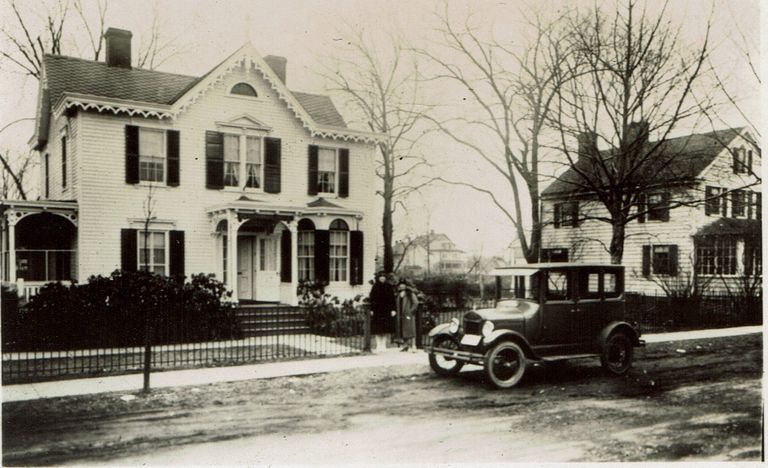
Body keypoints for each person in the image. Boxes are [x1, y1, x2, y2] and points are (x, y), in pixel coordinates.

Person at [368, 272, 395, 352]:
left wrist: (393, 309)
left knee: (385, 329)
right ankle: (378, 345)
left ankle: (384, 346)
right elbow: (372, 299)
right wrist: (372, 310)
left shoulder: (389, 287)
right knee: (378, 329)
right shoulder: (375, 287)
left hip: (386, 310)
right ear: (378, 278)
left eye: (384, 277)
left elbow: (392, 299)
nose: (382, 278)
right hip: (377, 310)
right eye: (381, 277)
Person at [394, 280, 419, 351]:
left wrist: (411, 311)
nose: (401, 286)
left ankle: (414, 345)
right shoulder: (398, 295)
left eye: (403, 285)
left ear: (406, 286)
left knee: (411, 330)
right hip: (400, 314)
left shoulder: (410, 294)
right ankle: (405, 345)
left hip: (408, 314)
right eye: (400, 285)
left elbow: (415, 303)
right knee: (403, 330)